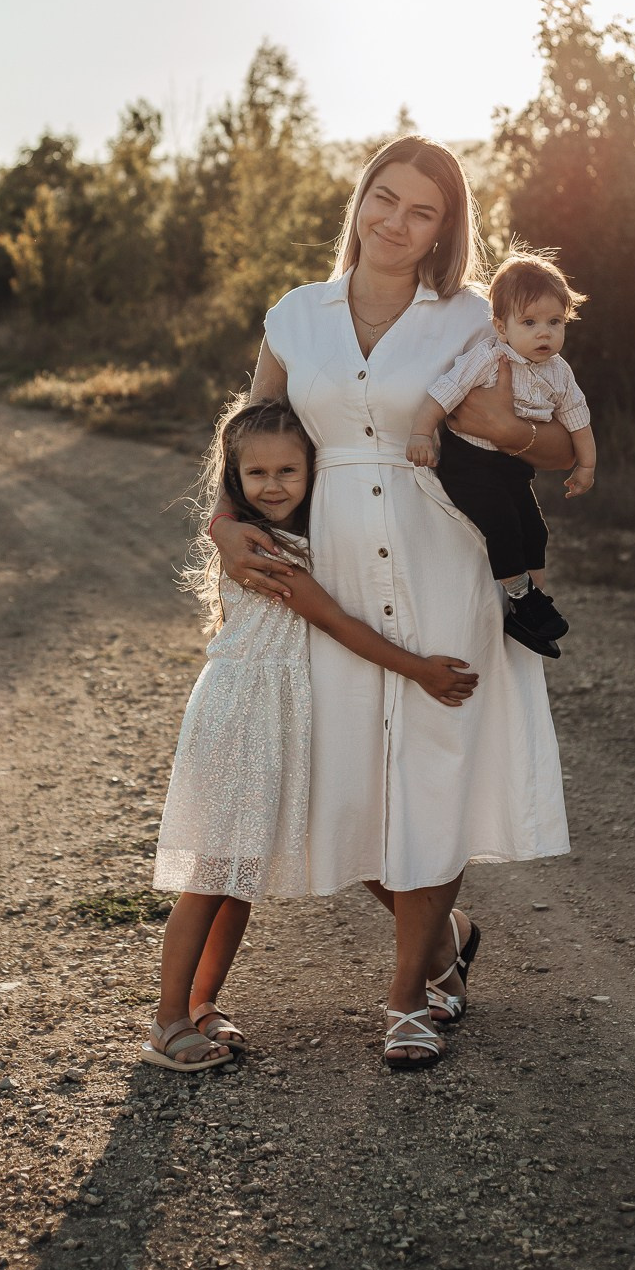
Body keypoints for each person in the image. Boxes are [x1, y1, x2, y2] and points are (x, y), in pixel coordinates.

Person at [210, 137, 574, 1069]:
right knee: (333, 774)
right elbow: (253, 438)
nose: (397, 223)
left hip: (442, 555)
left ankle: (408, 997)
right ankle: (446, 944)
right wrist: (221, 523)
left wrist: (515, 432)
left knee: (434, 766)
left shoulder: (470, 320)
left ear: (446, 229)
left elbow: (560, 447)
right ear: (359, 199)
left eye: (423, 211)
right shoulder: (297, 314)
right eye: (385, 198)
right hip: (326, 562)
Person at [145, 395, 480, 1073]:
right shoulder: (263, 549)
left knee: (243, 869)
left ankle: (203, 1004)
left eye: (288, 472)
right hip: (243, 715)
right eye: (257, 475)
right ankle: (168, 1021)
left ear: (313, 471)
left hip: (280, 710)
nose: (272, 486)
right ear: (234, 480)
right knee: (213, 872)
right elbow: (336, 623)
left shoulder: (308, 533)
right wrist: (417, 669)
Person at [406, 250, 597, 659]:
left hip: (512, 466)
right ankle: (521, 595)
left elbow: (578, 420)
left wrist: (587, 465)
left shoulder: (560, 372)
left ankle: (530, 607)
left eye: (554, 322)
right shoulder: (489, 357)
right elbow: (444, 395)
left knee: (537, 531)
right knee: (503, 523)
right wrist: (422, 432)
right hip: (469, 464)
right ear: (502, 327)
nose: (543, 333)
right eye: (529, 323)